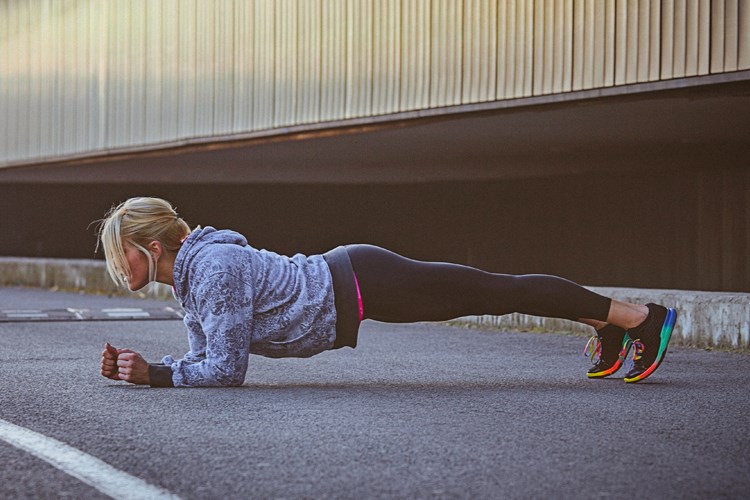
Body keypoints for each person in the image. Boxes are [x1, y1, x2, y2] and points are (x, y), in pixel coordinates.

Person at [97, 197, 677, 388]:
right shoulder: (193, 278)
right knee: (490, 292)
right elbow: (203, 358)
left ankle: (638, 318)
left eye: (119, 248)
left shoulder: (215, 267)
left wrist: (155, 375)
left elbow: (224, 370)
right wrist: (142, 368)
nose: (116, 264)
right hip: (356, 289)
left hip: (362, 281)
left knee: (495, 291)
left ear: (151, 243)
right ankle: (608, 322)